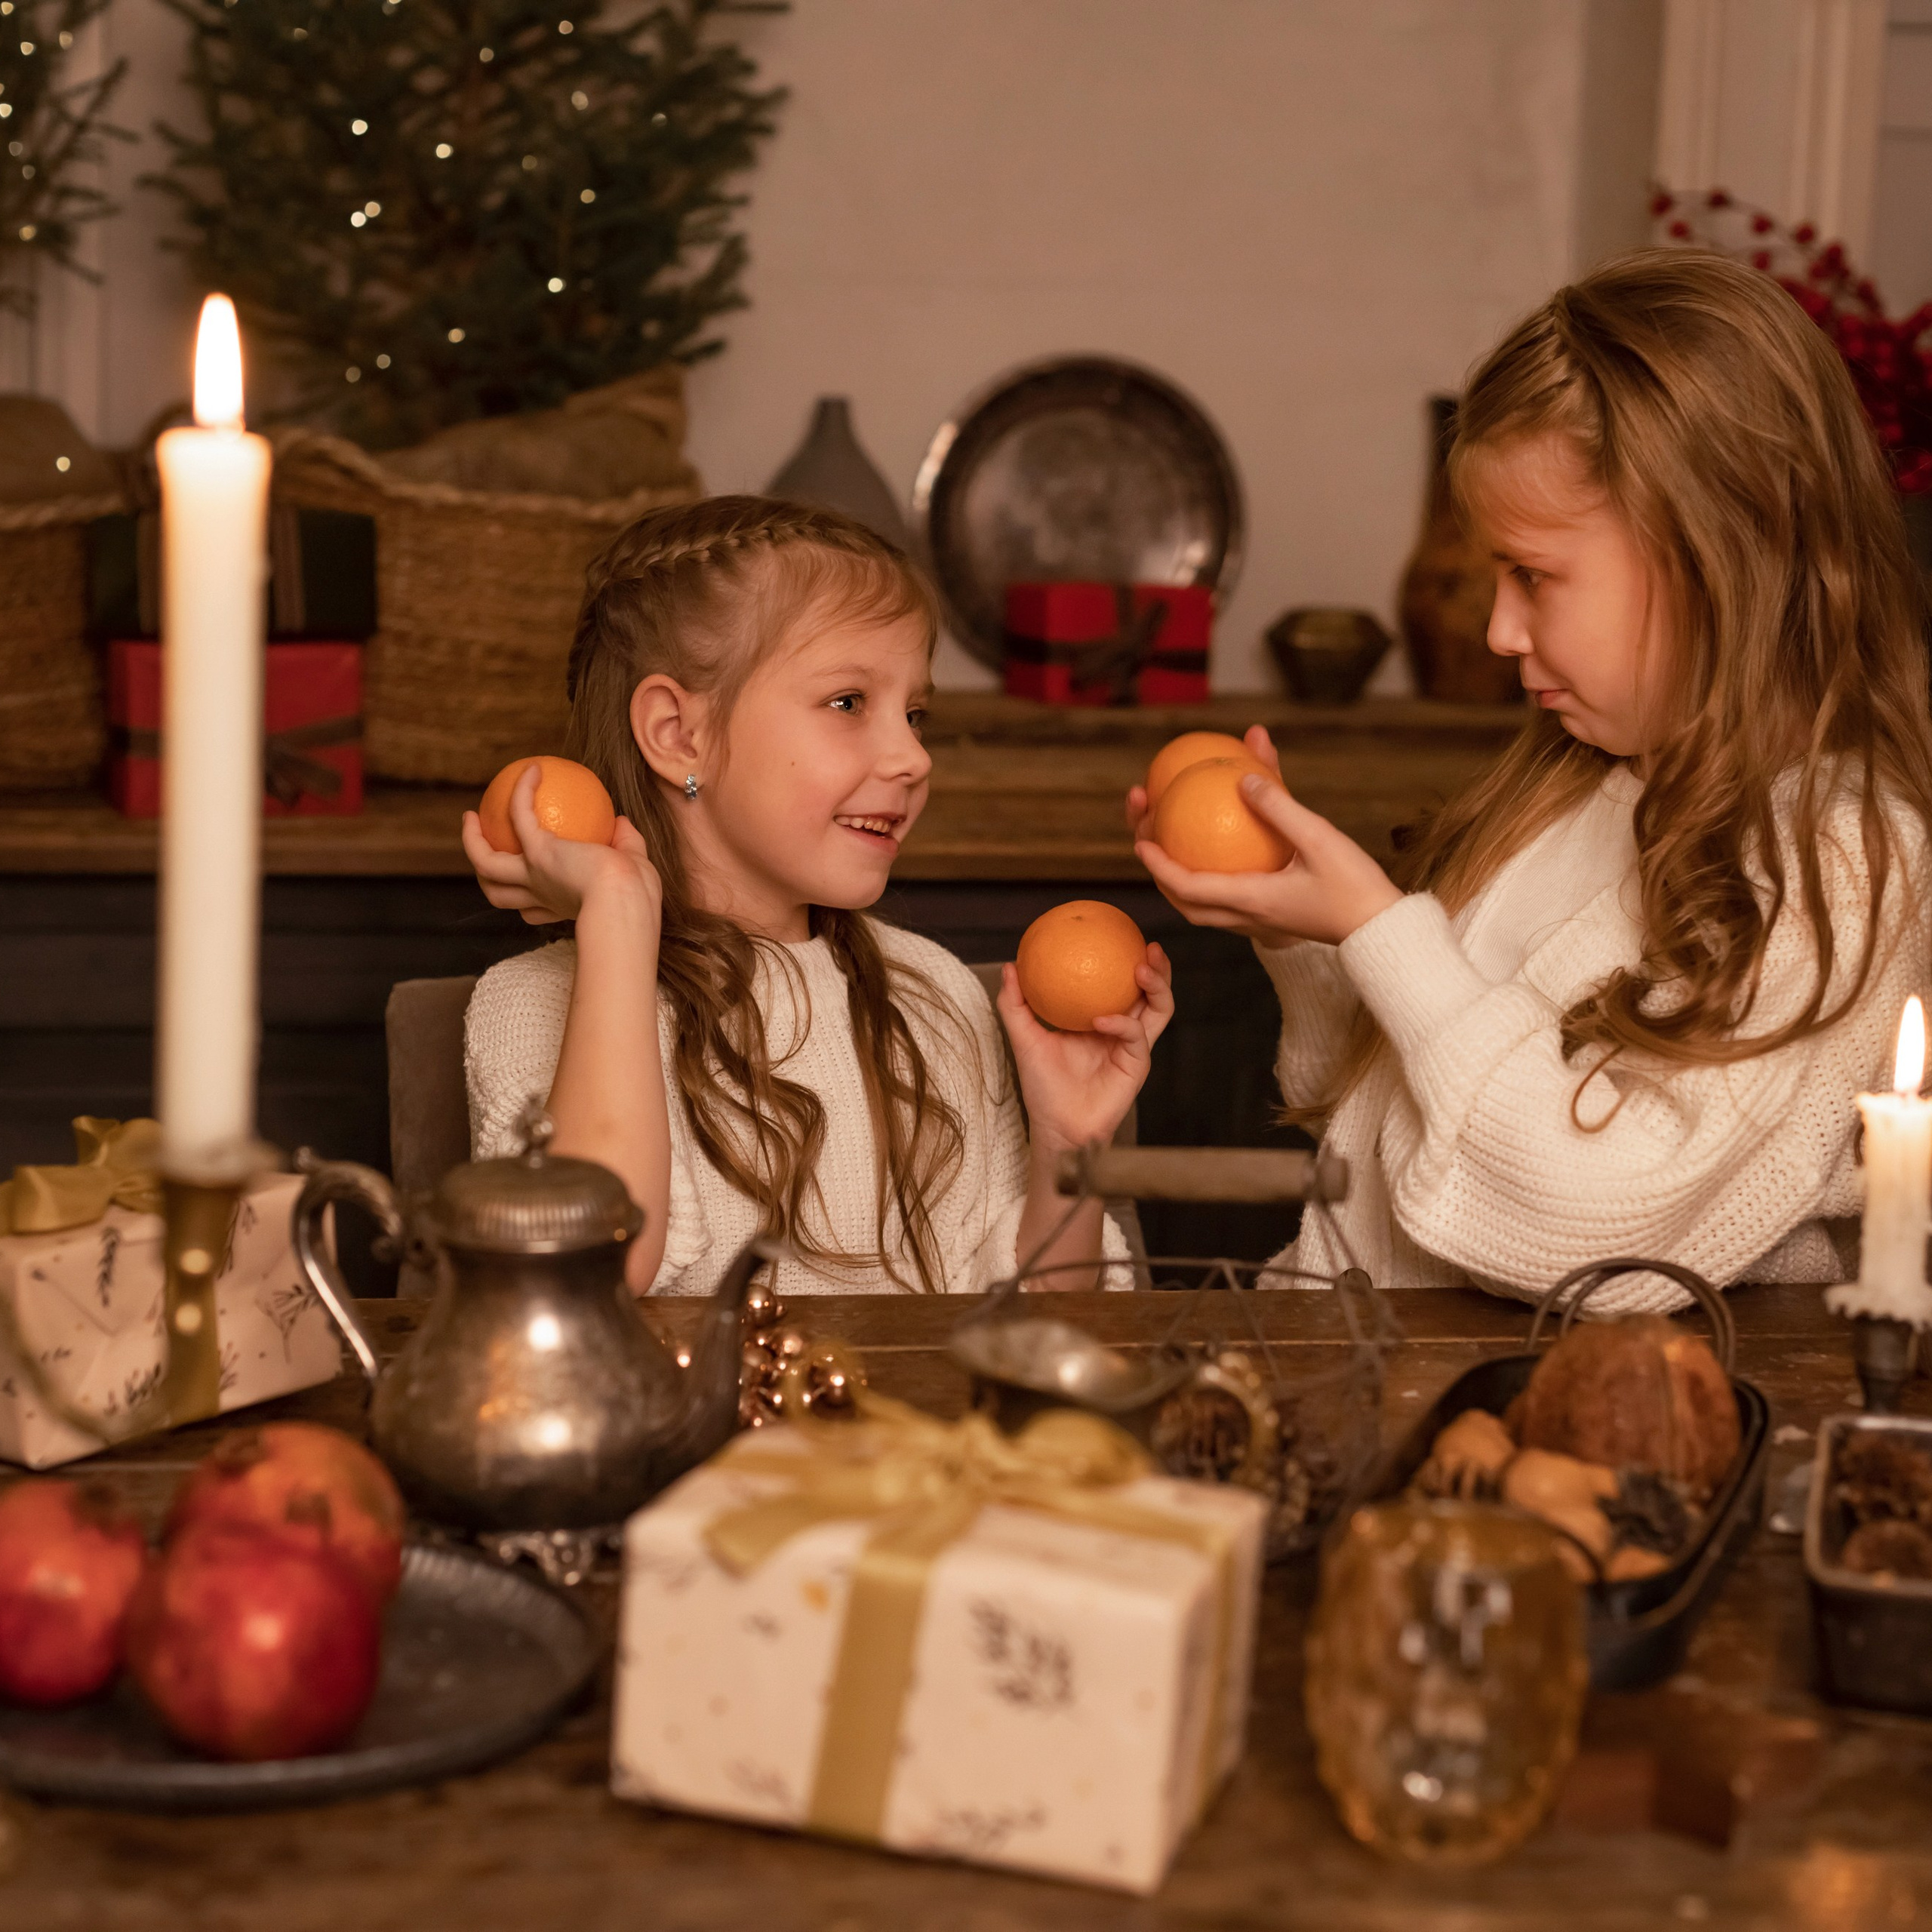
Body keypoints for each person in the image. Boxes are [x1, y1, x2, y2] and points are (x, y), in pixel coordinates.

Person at [1135, 249, 1932, 1312]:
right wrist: (1307, 929)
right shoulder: (1570, 788)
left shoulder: (1836, 861)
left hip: (1550, 1437)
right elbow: (1378, 1125)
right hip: (1348, 1369)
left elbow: (1598, 1244)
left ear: (1716, 552)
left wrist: (1381, 926)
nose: (1499, 630)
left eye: (1536, 576)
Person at [462, 496, 1171, 1297]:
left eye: (915, 713)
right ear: (677, 733)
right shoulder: (527, 1006)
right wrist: (619, 920)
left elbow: (1039, 1336)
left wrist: (1069, 1145)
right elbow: (580, 1286)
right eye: (848, 703)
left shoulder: (935, 990)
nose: (911, 757)